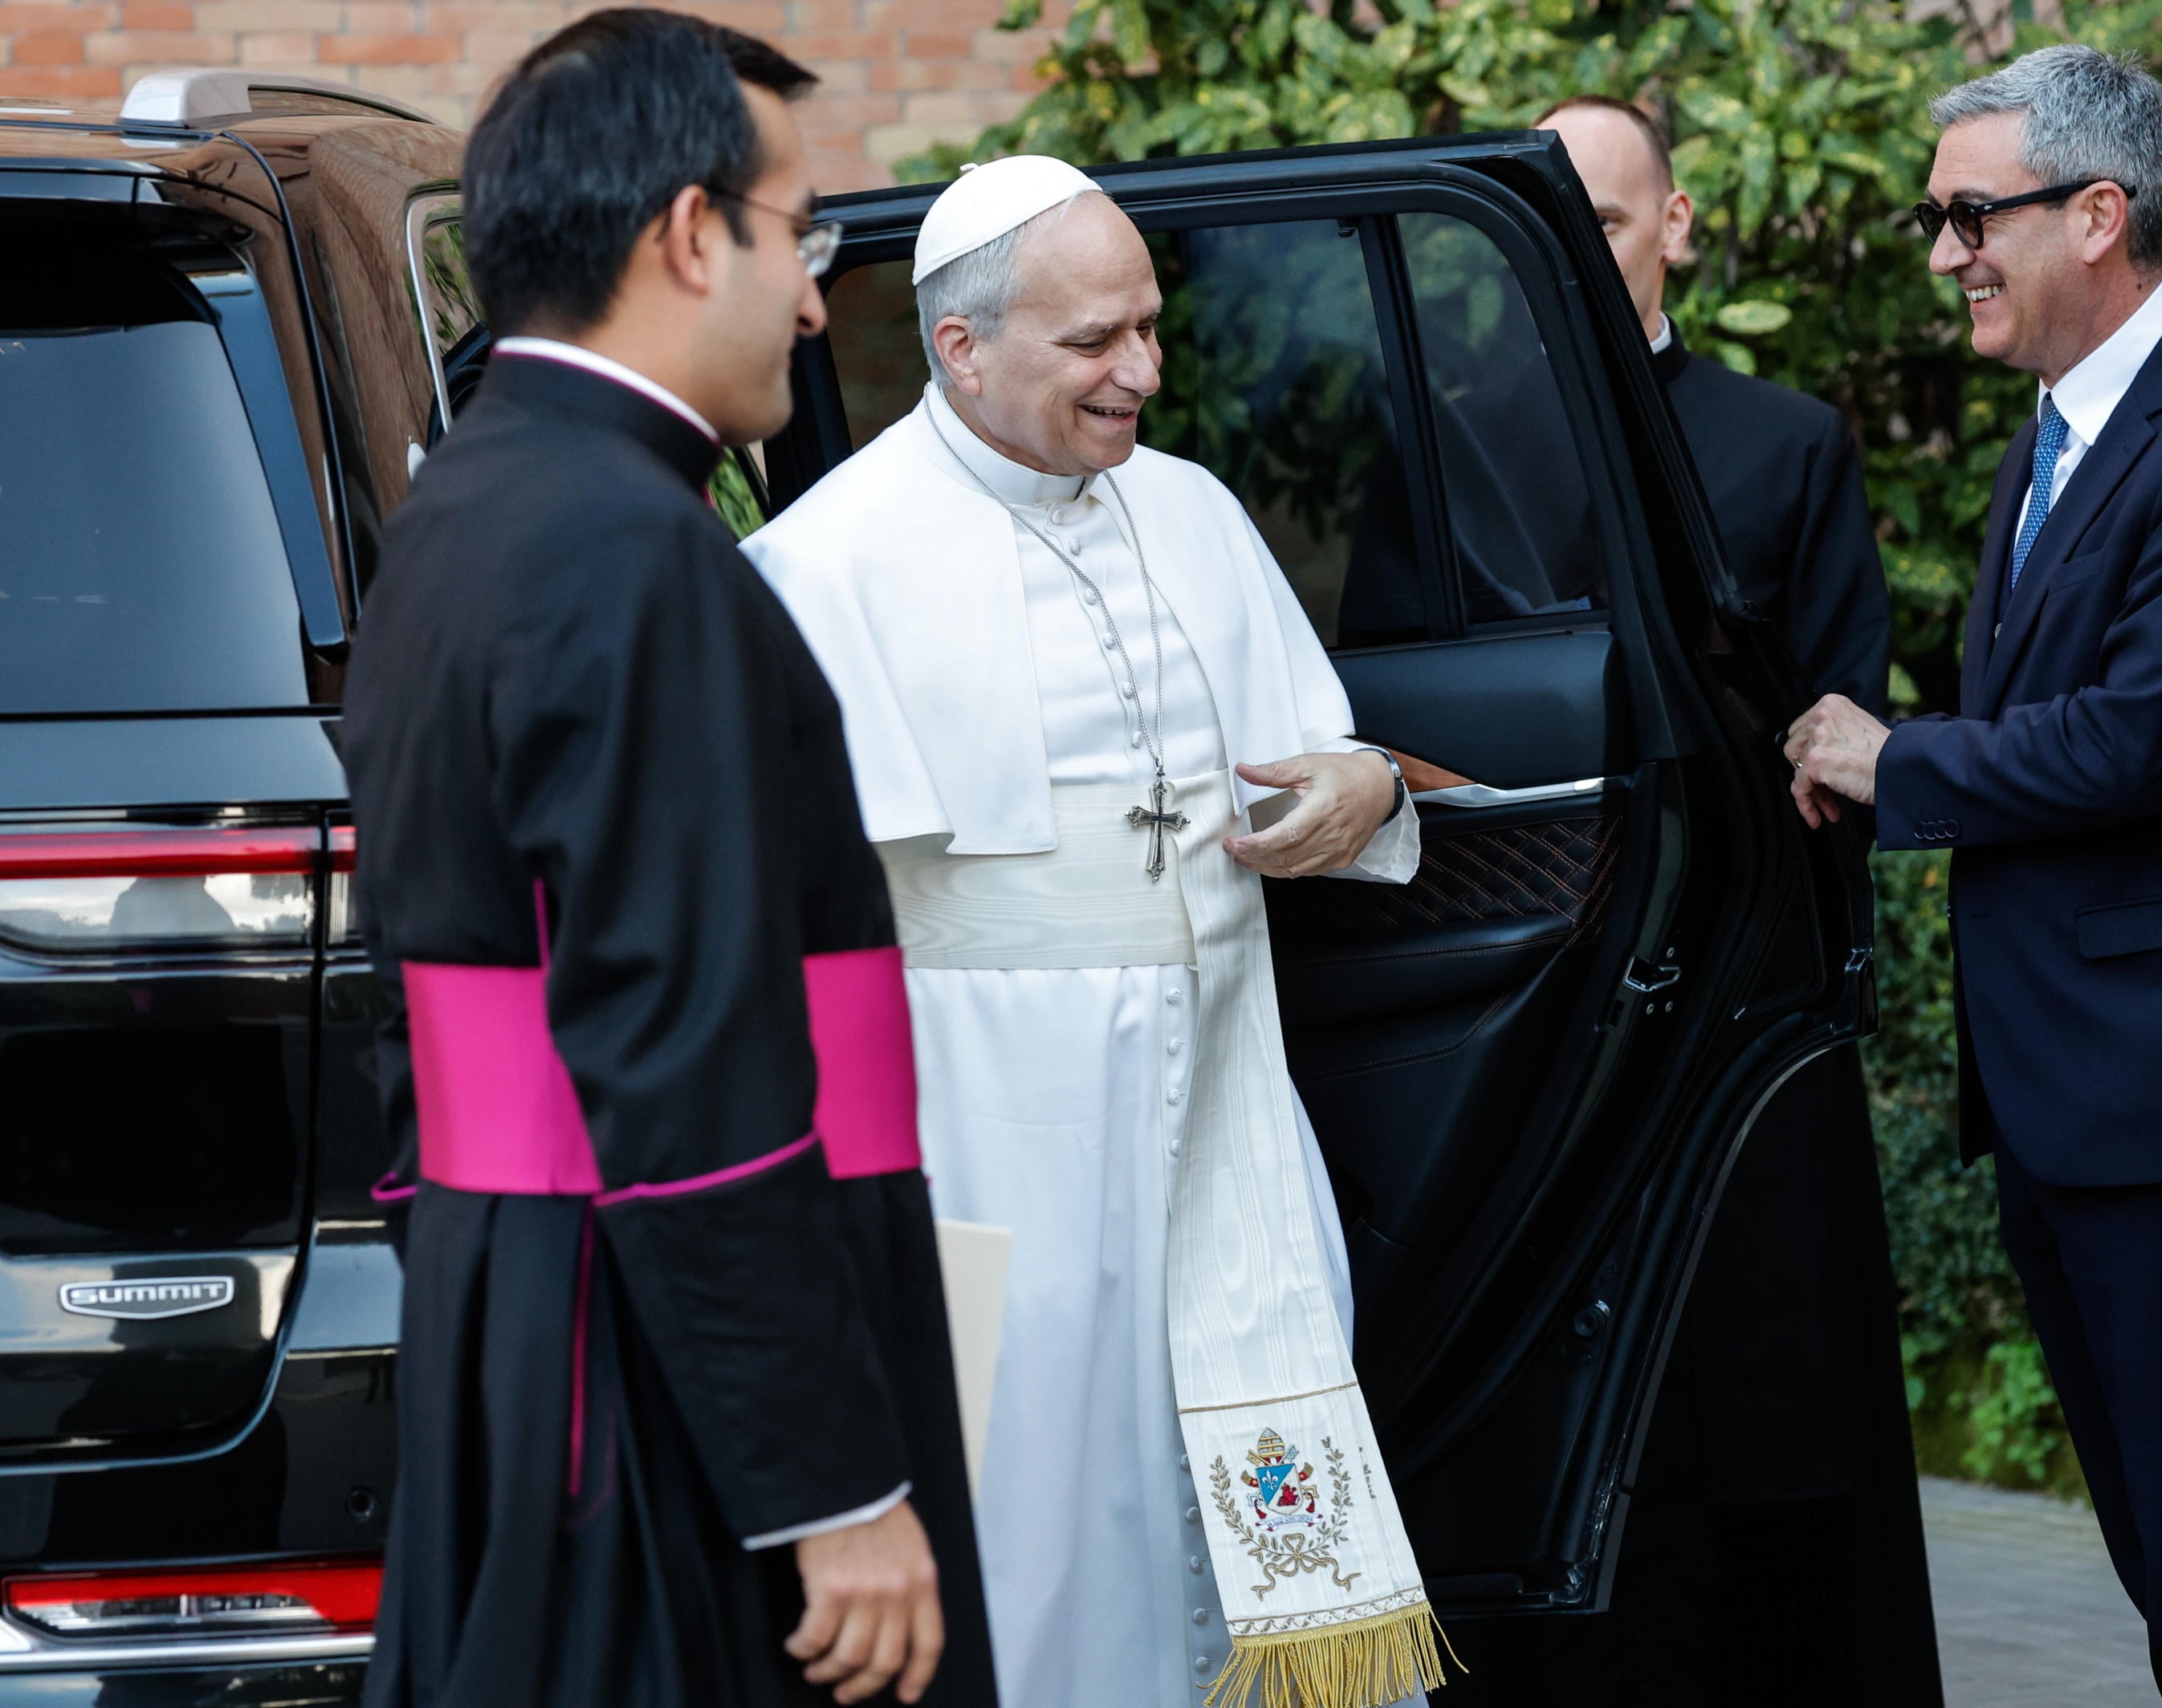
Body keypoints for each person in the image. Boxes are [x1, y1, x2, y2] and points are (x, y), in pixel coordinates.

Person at [343, 13, 994, 1706]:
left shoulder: (470, 504)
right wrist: (831, 1482)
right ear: (690, 232)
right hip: (656, 1353)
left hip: (536, 1300)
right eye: (801, 238)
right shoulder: (632, 549)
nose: (809, 295)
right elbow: (685, 1045)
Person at [746, 157, 1446, 1708]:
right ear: (961, 349)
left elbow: (1329, 760)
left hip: (1225, 1116)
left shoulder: (1189, 507)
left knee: (1242, 1507)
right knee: (1039, 1543)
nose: (1140, 370)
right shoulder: (825, 565)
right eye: (1092, 342)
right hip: (992, 1152)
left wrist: (1364, 780)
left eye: (1148, 326)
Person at [1789, 45, 2162, 1708]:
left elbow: (2132, 745)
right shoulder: (2050, 436)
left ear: (2100, 214)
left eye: (1972, 214)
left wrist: (1891, 759)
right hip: (2080, 1093)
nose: (1946, 252)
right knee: (2160, 1549)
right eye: (1942, 217)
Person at [1444, 93, 1939, 1708]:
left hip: (1734, 1033)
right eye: (1549, 218)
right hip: (1524, 1038)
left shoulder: (1784, 439)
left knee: (1768, 1436)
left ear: (1676, 227)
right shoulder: (1446, 445)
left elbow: (1838, 740)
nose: (1579, 248)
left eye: (1604, 214)